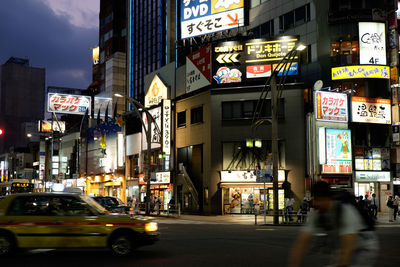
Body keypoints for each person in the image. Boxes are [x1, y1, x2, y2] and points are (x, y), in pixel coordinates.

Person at [287, 181, 378, 267]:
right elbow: (302, 242)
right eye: (314, 199)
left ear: (327, 198)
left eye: (318, 199)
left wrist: (343, 262)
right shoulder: (318, 214)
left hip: (363, 248)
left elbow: (348, 246)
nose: (315, 203)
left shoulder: (345, 211)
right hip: (342, 247)